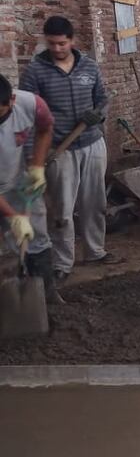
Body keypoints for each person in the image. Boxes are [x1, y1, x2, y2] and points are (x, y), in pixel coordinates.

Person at [20, 16, 115, 286]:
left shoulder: (89, 66)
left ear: (72, 40)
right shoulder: (36, 71)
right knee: (62, 209)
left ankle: (95, 251)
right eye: (52, 44)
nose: (57, 49)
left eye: (62, 43)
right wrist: (33, 156)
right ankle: (63, 262)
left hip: (92, 143)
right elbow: (29, 113)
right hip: (59, 150)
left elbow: (103, 99)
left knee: (94, 203)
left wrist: (99, 114)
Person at [0, 74, 61, 303]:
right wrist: (13, 216)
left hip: (16, 181)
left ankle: (45, 295)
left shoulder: (30, 103)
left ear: (11, 101)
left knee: (36, 236)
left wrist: (36, 166)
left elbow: (45, 128)